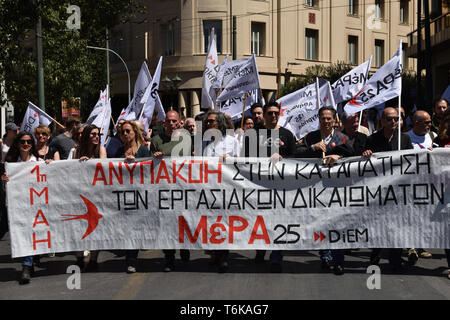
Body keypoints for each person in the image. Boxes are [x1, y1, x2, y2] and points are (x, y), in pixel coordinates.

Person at [295, 106, 352, 275]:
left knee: (336, 224)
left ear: (335, 121)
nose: (326, 121)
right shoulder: (312, 137)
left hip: (336, 190)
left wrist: (339, 157)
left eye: (329, 118)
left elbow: (352, 154)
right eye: (323, 118)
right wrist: (313, 148)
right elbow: (297, 153)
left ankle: (338, 260)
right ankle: (325, 255)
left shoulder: (342, 138)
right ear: (318, 120)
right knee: (320, 222)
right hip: (315, 190)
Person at [242, 101, 296, 273]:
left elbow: (296, 159)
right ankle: (260, 249)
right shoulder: (253, 134)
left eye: (276, 113)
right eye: (270, 113)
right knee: (261, 220)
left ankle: (276, 256)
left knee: (278, 221)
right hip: (259, 187)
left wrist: (282, 157)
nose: (273, 116)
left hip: (280, 187)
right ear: (264, 115)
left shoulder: (287, 134)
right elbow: (245, 159)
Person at [362, 107, 413, 273]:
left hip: (398, 191)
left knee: (397, 226)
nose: (393, 122)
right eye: (390, 119)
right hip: (378, 191)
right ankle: (375, 258)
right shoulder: (372, 139)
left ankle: (395, 260)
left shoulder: (404, 139)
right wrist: (366, 154)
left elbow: (413, 161)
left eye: (396, 119)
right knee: (378, 225)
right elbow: (360, 162)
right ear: (382, 121)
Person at [151, 111, 191, 272]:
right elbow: (148, 165)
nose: (172, 124)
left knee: (183, 221)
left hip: (182, 187)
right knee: (167, 224)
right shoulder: (155, 140)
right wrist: (155, 157)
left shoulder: (185, 140)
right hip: (163, 189)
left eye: (174, 121)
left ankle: (184, 246)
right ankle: (169, 257)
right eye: (169, 121)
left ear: (179, 122)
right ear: (164, 123)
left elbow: (190, 163)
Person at [202, 110, 240, 273]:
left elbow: (240, 163)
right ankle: (214, 252)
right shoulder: (204, 142)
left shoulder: (233, 141)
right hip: (208, 187)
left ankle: (223, 255)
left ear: (221, 123)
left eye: (213, 121)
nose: (209, 124)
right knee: (210, 220)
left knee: (224, 221)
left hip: (226, 187)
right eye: (208, 122)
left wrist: (229, 159)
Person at [1, 131, 41, 284]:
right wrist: (4, 180)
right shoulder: (11, 163)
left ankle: (26, 265)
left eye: (29, 142)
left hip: (34, 204)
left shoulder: (37, 161)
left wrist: (50, 166)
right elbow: (5, 189)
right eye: (23, 142)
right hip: (17, 205)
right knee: (23, 234)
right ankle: (29, 262)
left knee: (30, 233)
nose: (26, 144)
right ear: (18, 144)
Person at [113, 121, 150, 273]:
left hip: (141, 195)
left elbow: (149, 171)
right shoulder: (118, 152)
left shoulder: (143, 151)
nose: (125, 134)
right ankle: (131, 260)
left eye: (128, 131)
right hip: (124, 196)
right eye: (122, 132)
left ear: (135, 132)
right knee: (130, 229)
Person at [72, 125, 107, 271]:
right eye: (93, 134)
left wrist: (91, 164)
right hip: (81, 194)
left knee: (96, 227)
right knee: (79, 227)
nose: (96, 137)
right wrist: (80, 163)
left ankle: (93, 259)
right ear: (86, 135)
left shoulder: (101, 150)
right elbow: (70, 171)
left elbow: (104, 168)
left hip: (97, 194)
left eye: (98, 134)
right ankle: (80, 258)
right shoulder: (76, 151)